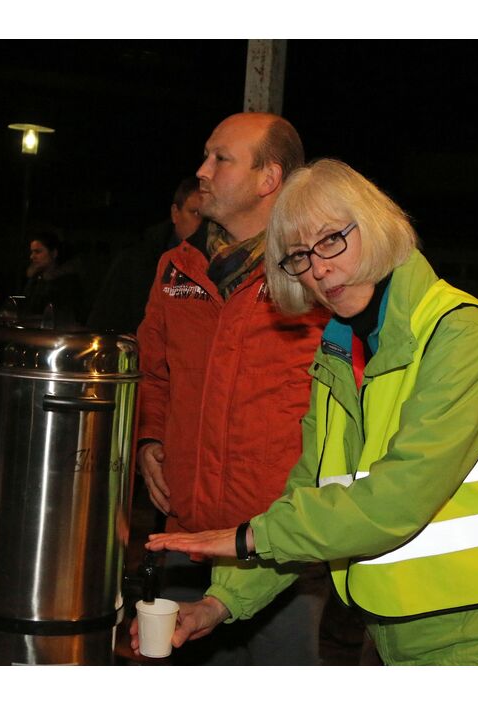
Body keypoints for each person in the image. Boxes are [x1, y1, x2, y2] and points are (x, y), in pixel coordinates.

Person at [137, 158, 478, 666]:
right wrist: (219, 602)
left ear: (376, 227)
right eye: (299, 256)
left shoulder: (460, 335)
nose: (318, 268)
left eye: (332, 239)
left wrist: (251, 537)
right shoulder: (339, 350)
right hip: (392, 633)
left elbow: (395, 502)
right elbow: (310, 494)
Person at [135, 113, 329, 665]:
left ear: (269, 178)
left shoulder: (316, 275)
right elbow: (154, 373)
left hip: (279, 541)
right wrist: (149, 440)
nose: (202, 171)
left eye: (221, 159)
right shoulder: (177, 268)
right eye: (206, 155)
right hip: (186, 533)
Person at [87, 177, 202, 332]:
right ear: (175, 213)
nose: (203, 224)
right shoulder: (134, 263)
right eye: (195, 213)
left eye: (211, 217)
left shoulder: (220, 267)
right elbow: (104, 324)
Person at [22, 231, 85, 325]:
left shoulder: (67, 282)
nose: (32, 257)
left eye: (38, 252)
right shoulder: (35, 279)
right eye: (32, 252)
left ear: (54, 253)